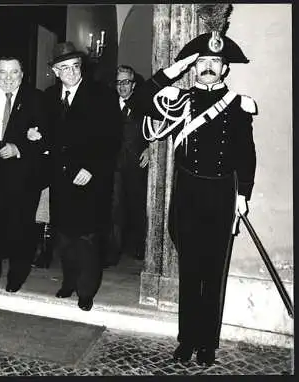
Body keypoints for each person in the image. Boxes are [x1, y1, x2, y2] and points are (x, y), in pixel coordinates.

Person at [134, 31, 257, 365]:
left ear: (224, 68)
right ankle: (186, 339)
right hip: (187, 192)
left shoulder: (238, 105)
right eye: (201, 62)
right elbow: (138, 100)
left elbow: (246, 154)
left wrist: (242, 195)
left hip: (221, 194)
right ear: (193, 66)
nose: (207, 67)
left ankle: (208, 343)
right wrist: (175, 69)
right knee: (189, 269)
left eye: (214, 62)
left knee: (213, 271)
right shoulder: (179, 99)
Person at [44, 42, 122, 311]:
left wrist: (92, 169)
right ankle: (69, 282)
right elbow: (48, 134)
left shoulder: (102, 95)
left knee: (87, 237)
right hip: (60, 179)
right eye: (64, 68)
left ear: (81, 67)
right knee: (64, 235)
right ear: (55, 71)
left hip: (90, 178)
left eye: (75, 66)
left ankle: (86, 291)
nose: (71, 72)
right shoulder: (48, 96)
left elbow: (112, 140)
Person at [0, 55, 48, 306]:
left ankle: (17, 274)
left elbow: (48, 138)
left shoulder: (36, 98)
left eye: (13, 72)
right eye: (2, 72)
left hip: (22, 175)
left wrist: (18, 148)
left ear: (22, 75)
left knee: (20, 229)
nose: (8, 78)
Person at [105, 65, 150, 266]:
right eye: (119, 82)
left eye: (126, 82)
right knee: (114, 208)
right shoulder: (108, 104)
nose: (122, 86)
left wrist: (150, 149)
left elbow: (155, 129)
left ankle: (139, 246)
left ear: (133, 84)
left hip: (136, 163)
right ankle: (113, 251)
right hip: (113, 164)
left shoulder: (144, 104)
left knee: (136, 205)